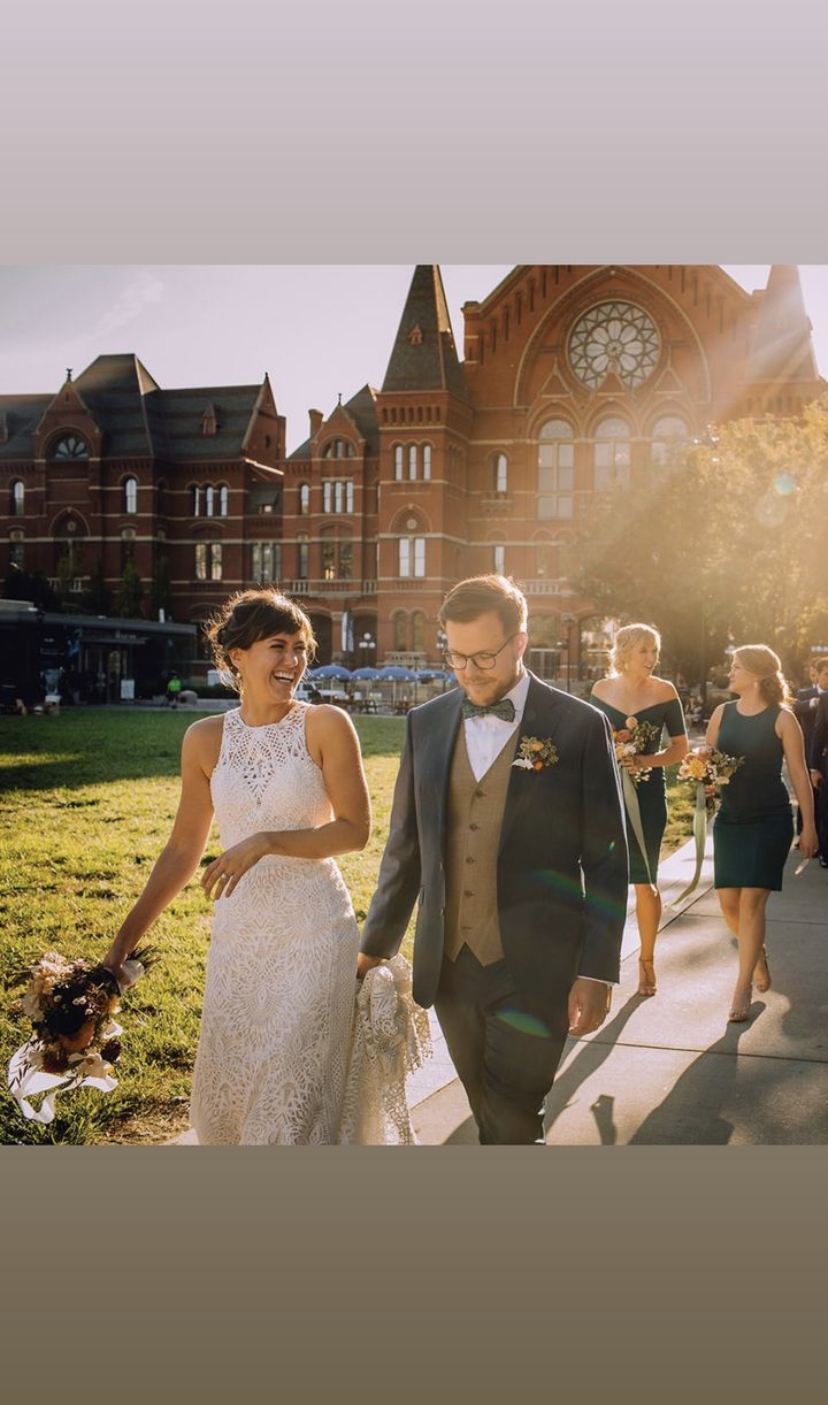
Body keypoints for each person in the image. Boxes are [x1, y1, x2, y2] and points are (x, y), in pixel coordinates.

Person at [358, 574, 629, 1145]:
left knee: (513, 1119)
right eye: (455, 655)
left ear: (521, 642)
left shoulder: (579, 726)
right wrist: (373, 948)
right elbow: (406, 846)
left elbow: (606, 859)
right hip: (450, 966)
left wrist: (598, 968)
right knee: (488, 1112)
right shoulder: (424, 723)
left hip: (538, 965)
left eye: (483, 655)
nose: (468, 670)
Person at [102, 589, 372, 1144]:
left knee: (290, 1104)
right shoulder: (204, 739)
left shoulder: (326, 724)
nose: (294, 661)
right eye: (278, 647)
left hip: (315, 932)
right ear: (236, 657)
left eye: (301, 647)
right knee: (232, 1103)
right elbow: (181, 852)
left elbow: (355, 830)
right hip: (240, 940)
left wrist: (265, 841)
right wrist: (118, 950)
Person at [705, 644, 818, 1023]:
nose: (730, 672)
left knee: (752, 903)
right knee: (727, 905)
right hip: (730, 818)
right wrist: (703, 775)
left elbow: (800, 775)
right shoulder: (721, 713)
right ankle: (758, 953)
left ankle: (742, 987)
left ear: (755, 675)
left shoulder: (783, 718)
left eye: (736, 667)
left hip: (769, 819)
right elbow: (706, 760)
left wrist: (810, 827)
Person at [590, 624, 689, 997]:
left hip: (648, 799)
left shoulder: (665, 692)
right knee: (604, 881)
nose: (652, 658)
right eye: (645, 651)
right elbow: (590, 739)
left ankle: (646, 961)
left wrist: (644, 760)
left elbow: (679, 748)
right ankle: (602, 967)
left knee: (645, 881)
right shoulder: (601, 691)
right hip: (605, 796)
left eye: (655, 651)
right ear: (625, 652)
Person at [792, 657, 826, 844]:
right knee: (806, 791)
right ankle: (803, 832)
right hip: (808, 750)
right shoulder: (806, 693)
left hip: (825, 753)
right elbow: (794, 708)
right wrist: (813, 703)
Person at [808, 669, 828, 868]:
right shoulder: (825, 700)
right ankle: (826, 852)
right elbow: (818, 734)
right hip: (826, 764)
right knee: (825, 809)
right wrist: (813, 768)